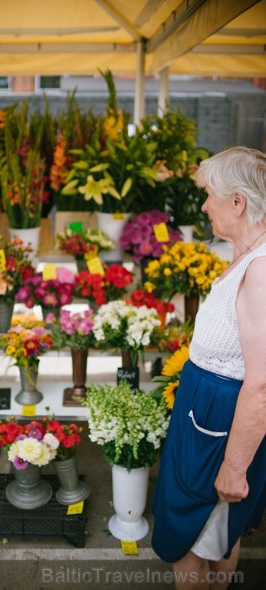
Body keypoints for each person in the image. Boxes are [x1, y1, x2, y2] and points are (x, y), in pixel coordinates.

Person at [151, 146, 266, 589]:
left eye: (210, 195)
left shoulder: (259, 272)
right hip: (206, 414)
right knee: (216, 530)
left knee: (195, 531)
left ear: (237, 202)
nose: (202, 204)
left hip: (219, 424)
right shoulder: (245, 253)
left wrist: (235, 468)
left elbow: (260, 384)